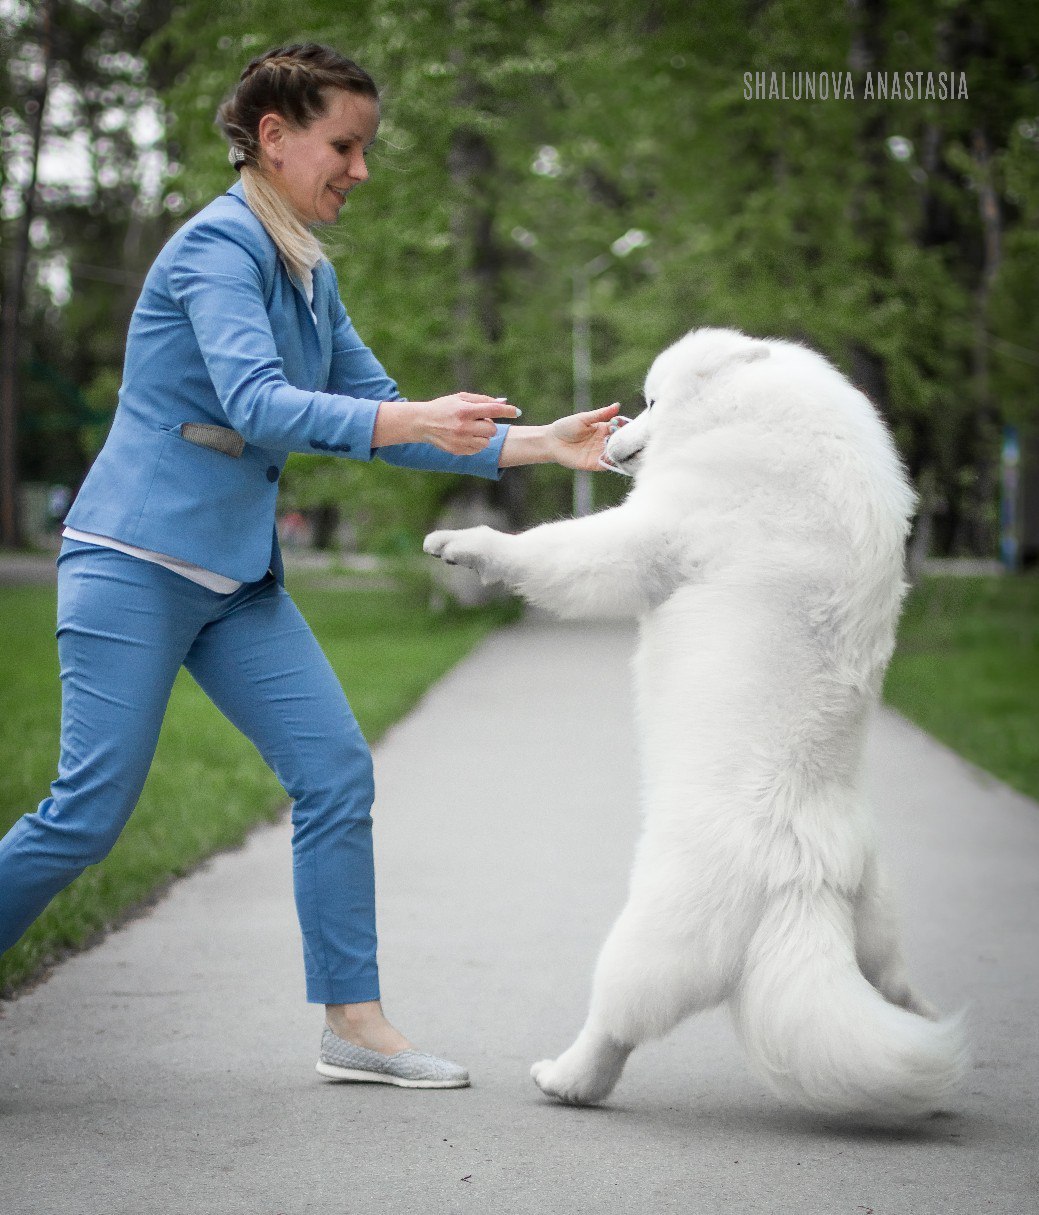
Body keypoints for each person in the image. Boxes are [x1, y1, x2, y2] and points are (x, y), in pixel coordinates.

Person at [0, 43, 619, 1089]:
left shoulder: (305, 271)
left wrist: (540, 444)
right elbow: (257, 403)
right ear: (275, 138)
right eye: (346, 145)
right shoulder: (216, 251)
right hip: (135, 565)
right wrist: (402, 414)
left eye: (365, 149)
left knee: (335, 773)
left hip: (236, 585)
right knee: (88, 815)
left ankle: (354, 1024)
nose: (360, 170)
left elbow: (392, 422)